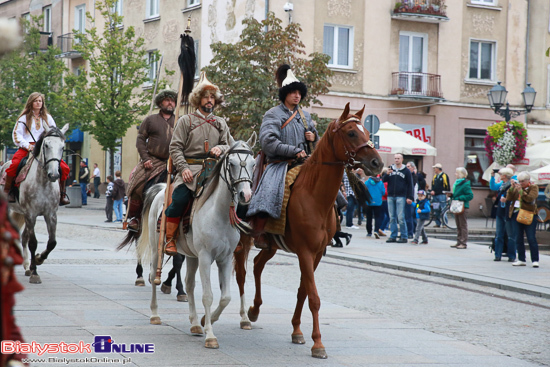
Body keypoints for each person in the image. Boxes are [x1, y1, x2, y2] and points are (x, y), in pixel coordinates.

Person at [247, 64, 318, 247]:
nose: (297, 96)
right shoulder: (273, 114)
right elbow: (268, 142)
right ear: (285, 94)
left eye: (299, 93)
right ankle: (260, 231)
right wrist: (293, 150)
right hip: (279, 164)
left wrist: (313, 136)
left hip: (303, 162)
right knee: (269, 192)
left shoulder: (305, 116)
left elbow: (314, 143)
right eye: (293, 92)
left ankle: (329, 227)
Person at [164, 72, 232, 256]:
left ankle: (234, 237)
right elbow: (175, 148)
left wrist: (222, 149)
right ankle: (170, 238)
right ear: (198, 99)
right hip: (190, 170)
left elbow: (229, 145)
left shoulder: (220, 123)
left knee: (234, 195)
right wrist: (183, 168)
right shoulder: (186, 121)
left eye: (212, 97)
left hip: (215, 170)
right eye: (205, 97)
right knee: (179, 198)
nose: (209, 100)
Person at [4, 92, 70, 205]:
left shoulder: (48, 118)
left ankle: (62, 194)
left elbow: (54, 132)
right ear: (31, 102)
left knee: (64, 167)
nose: (38, 103)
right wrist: (28, 146)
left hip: (45, 147)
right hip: (26, 147)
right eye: (36, 101)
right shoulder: (23, 118)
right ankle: (8, 191)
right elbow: (17, 136)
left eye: (40, 101)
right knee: (14, 165)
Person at [125, 89, 177, 231]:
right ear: (160, 102)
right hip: (153, 161)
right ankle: (136, 218)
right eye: (167, 100)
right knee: (138, 184)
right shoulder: (150, 120)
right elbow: (141, 139)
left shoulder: (179, 120)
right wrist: (146, 158)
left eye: (172, 100)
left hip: (175, 162)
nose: (170, 103)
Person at [507, 172, 540, 267]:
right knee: (518, 237)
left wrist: (521, 191)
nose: (521, 183)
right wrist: (512, 188)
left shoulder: (533, 187)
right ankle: (521, 259)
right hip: (516, 214)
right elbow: (509, 198)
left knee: (531, 238)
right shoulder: (517, 187)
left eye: (523, 181)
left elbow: (530, 198)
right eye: (519, 181)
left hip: (529, 214)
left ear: (528, 181)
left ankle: (535, 260)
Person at [383, 153, 414, 243]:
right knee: (392, 217)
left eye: (398, 158)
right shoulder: (390, 168)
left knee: (401, 217)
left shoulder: (406, 171)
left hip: (401, 196)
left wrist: (410, 196)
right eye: (395, 158)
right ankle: (393, 235)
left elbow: (410, 184)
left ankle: (404, 236)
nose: (396, 160)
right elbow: (384, 180)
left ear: (402, 159)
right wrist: (387, 174)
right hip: (390, 196)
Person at [492, 168, 516, 261]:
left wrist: (507, 200)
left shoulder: (512, 185)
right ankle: (497, 255)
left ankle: (512, 256)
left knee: (510, 235)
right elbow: (492, 186)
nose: (500, 175)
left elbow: (515, 198)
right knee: (499, 234)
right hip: (500, 212)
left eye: (501, 174)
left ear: (505, 176)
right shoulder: (502, 186)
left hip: (508, 213)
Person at [449, 167, 473, 249]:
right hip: (457, 206)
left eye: (456, 173)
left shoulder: (465, 183)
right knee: (458, 225)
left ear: (461, 174)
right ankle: (459, 241)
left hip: (462, 206)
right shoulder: (457, 182)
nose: (455, 174)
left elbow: (470, 195)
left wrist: (460, 197)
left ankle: (463, 242)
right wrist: (452, 195)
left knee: (463, 225)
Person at [363, 172, 385, 238]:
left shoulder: (367, 183)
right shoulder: (380, 183)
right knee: (377, 217)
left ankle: (369, 232)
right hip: (378, 202)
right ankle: (376, 230)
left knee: (369, 217)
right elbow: (383, 192)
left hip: (369, 202)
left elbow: (364, 191)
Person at [430, 163, 450, 227]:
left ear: (438, 169)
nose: (434, 170)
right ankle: (437, 223)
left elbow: (447, 185)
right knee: (436, 209)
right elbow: (433, 185)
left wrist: (447, 193)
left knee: (443, 208)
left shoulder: (444, 175)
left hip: (441, 195)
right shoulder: (435, 176)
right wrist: (432, 190)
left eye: (435, 168)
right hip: (435, 195)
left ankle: (445, 223)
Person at [405, 161, 419, 238]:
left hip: (414, 200)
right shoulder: (409, 175)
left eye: (409, 166)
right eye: (406, 166)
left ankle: (411, 232)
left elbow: (412, 187)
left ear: (413, 168)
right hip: (411, 199)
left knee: (411, 216)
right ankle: (411, 231)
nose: (407, 168)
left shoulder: (414, 176)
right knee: (410, 216)